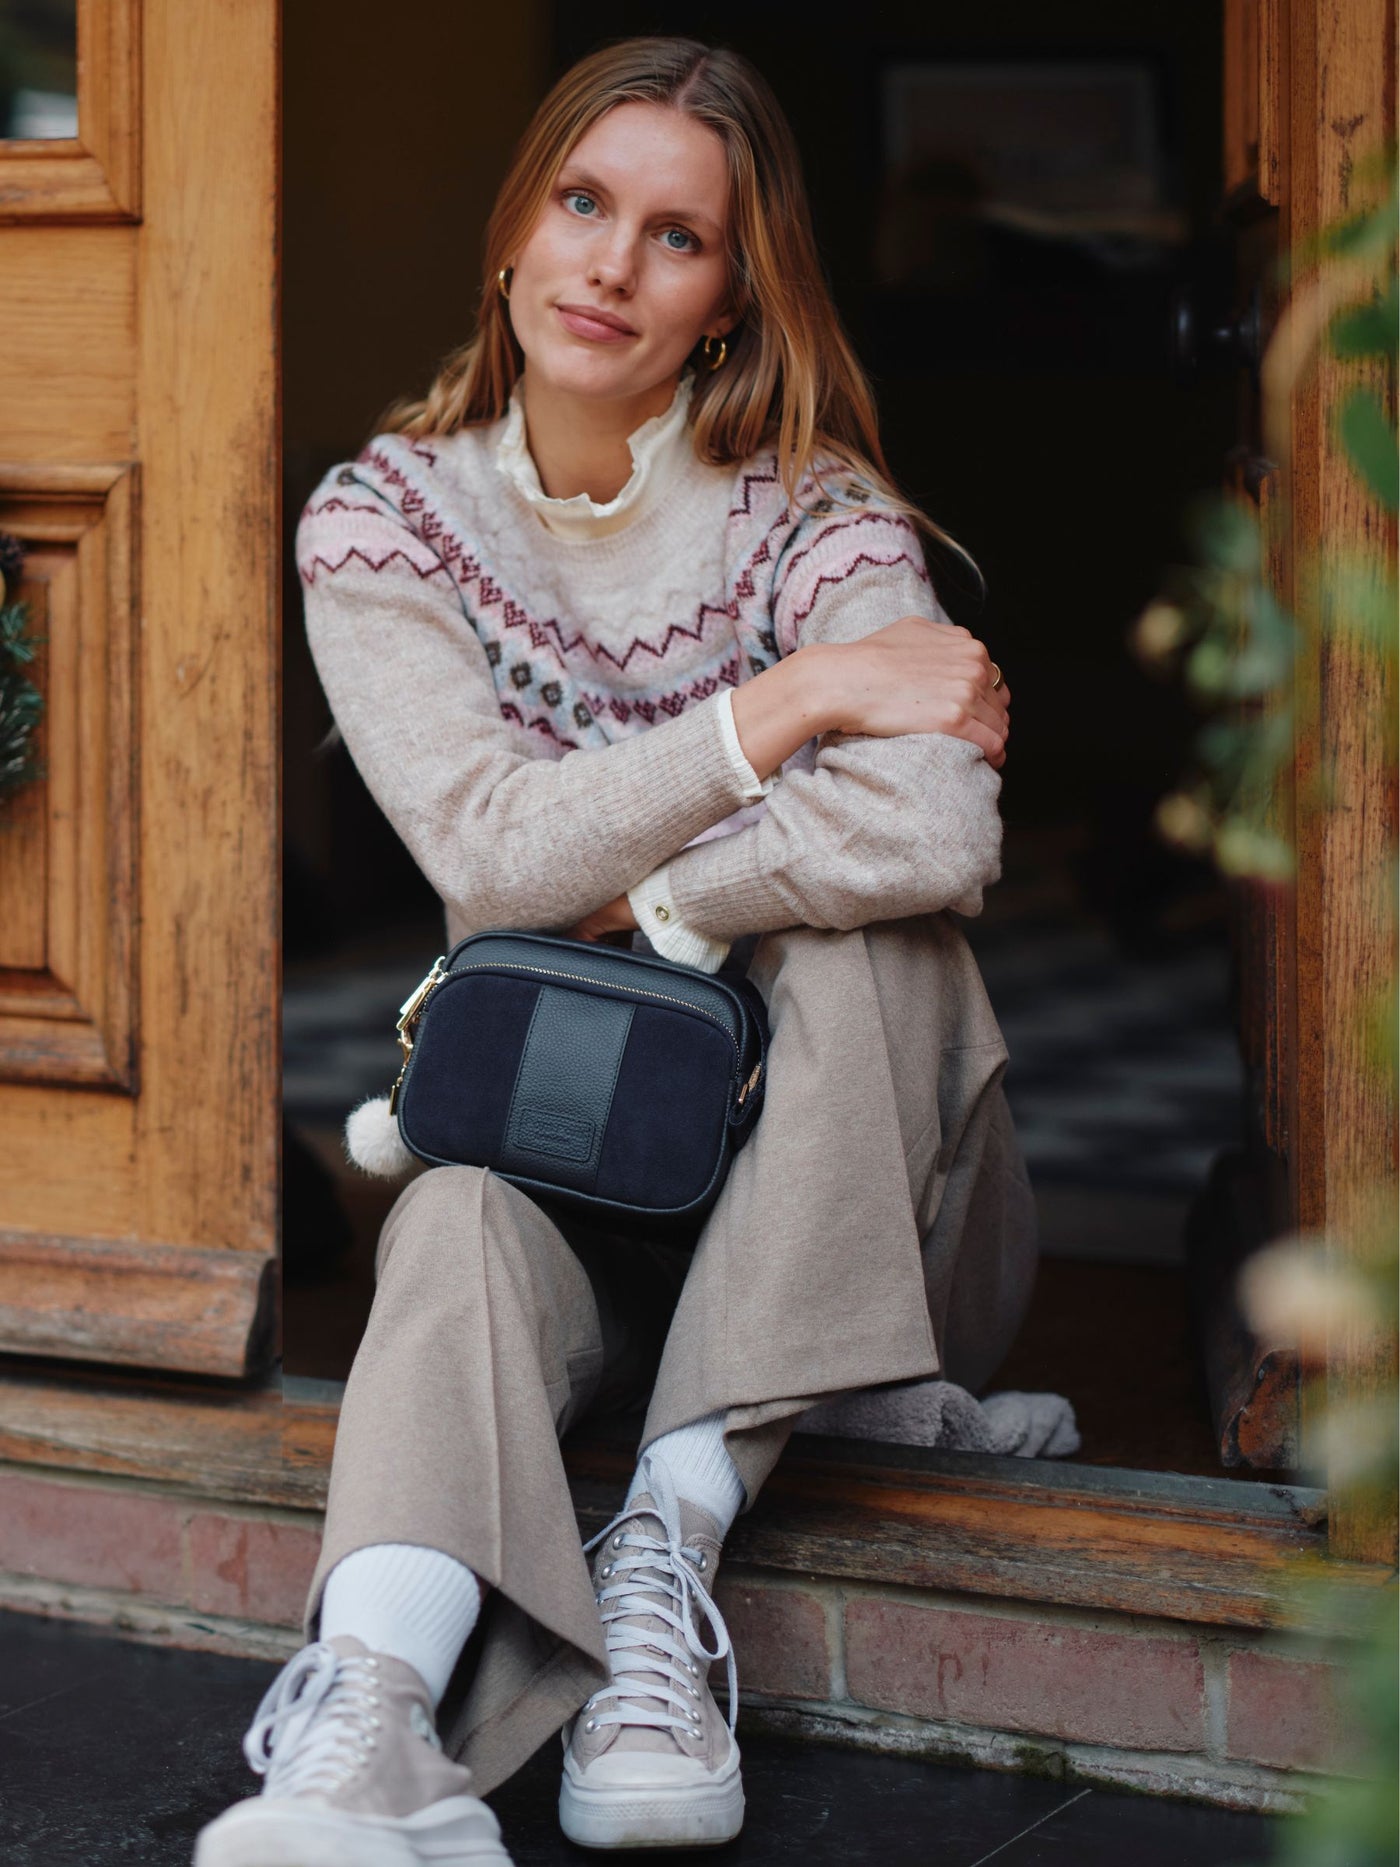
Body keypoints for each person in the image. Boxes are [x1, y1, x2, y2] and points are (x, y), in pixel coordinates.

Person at [194, 34, 1035, 1867]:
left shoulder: (814, 513)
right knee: (454, 1209)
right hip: (587, 1190)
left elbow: (937, 830)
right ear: (511, 234)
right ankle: (376, 1732)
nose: (610, 266)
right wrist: (789, 705)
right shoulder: (391, 521)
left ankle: (665, 1558)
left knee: (879, 950)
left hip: (866, 1239)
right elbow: (486, 863)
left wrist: (656, 905)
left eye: (676, 236)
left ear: (732, 296)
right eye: (582, 205)